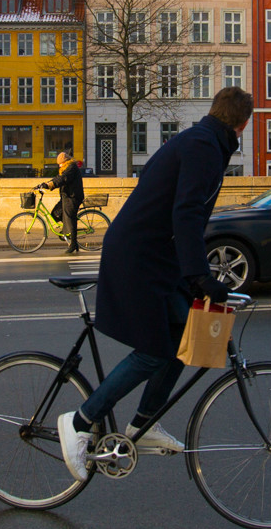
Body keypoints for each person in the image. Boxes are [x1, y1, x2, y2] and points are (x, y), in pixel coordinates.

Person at [57, 87, 251, 480]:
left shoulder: (206, 142)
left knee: (185, 338)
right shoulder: (203, 147)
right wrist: (199, 275)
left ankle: (141, 426)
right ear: (243, 123)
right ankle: (79, 422)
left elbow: (187, 217)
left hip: (156, 257)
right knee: (153, 350)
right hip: (137, 256)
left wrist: (195, 274)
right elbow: (187, 212)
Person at [40, 152, 86, 253]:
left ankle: (73, 244)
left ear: (65, 161)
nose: (59, 165)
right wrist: (47, 184)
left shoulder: (71, 167)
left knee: (70, 219)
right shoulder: (65, 168)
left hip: (73, 197)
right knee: (55, 213)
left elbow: (63, 179)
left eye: (60, 163)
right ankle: (66, 230)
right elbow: (58, 178)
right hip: (66, 197)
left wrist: (51, 185)